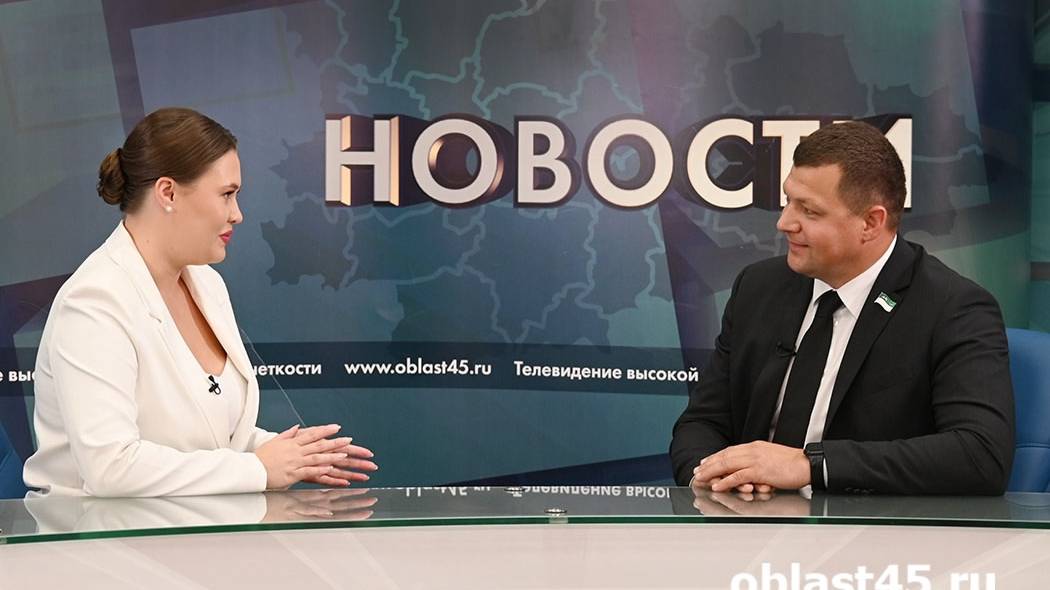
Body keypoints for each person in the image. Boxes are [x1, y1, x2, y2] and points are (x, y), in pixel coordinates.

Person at [23, 107, 378, 497]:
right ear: (168, 193)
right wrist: (259, 468)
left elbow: (212, 438)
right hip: (93, 534)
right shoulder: (93, 303)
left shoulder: (207, 284)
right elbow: (112, 467)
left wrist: (292, 455)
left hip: (190, 528)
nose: (237, 214)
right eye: (227, 195)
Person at [670, 120, 1015, 495]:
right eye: (788, 201)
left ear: (871, 222)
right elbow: (702, 422)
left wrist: (811, 466)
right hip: (749, 520)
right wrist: (714, 478)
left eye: (809, 211)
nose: (785, 223)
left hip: (867, 527)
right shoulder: (758, 287)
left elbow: (981, 455)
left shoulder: (953, 308)